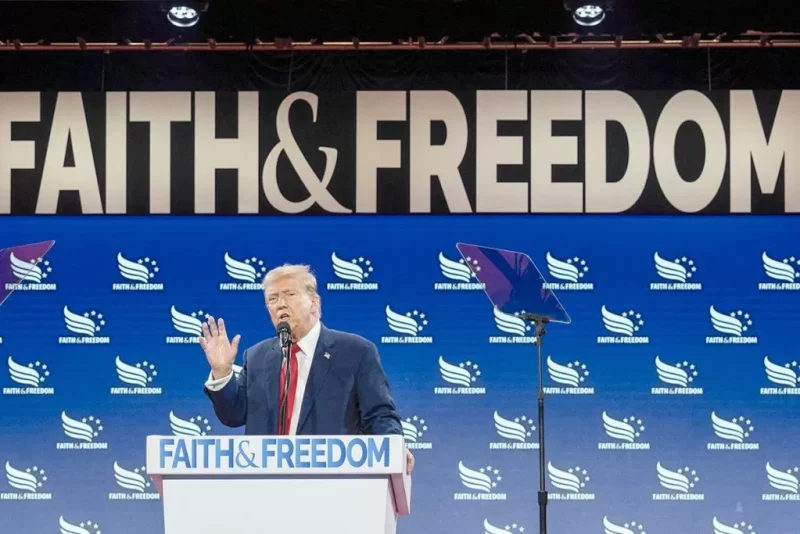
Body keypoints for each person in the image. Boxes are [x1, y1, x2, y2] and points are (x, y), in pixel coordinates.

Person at [200, 263, 414, 474]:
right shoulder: (256, 356)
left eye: (289, 294)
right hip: (265, 485)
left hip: (333, 484)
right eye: (272, 299)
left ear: (314, 302)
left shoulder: (355, 351)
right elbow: (234, 415)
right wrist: (222, 372)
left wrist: (395, 447)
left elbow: (380, 415)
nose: (280, 304)